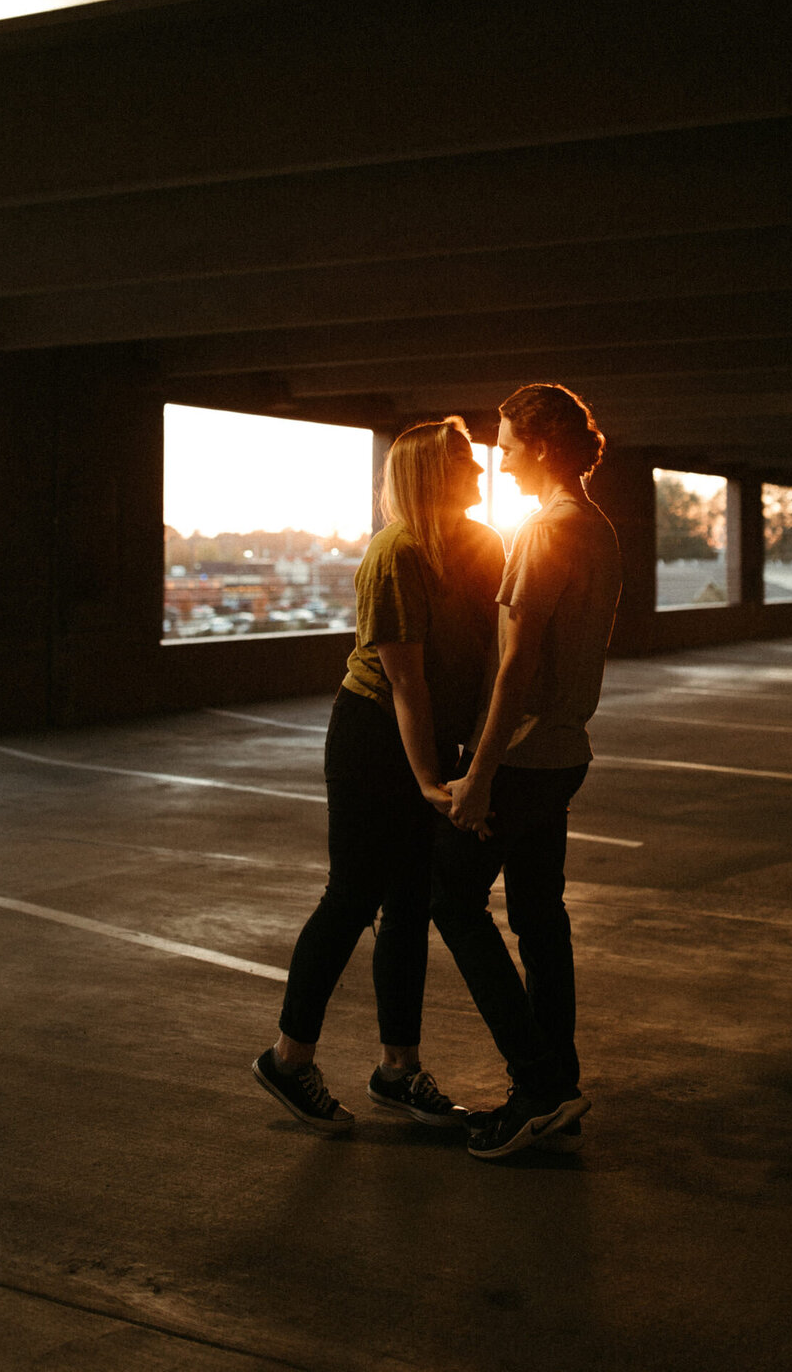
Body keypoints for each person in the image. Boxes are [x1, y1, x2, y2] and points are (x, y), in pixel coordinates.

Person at [253, 418, 504, 1133]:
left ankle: (398, 1070)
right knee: (352, 896)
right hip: (372, 736)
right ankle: (289, 1058)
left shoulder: (483, 544)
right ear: (431, 473)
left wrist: (474, 755)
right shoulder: (394, 553)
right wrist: (429, 778)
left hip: (434, 739)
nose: (479, 471)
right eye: (464, 460)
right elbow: (406, 683)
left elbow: (489, 659)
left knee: (410, 906)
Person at [431, 383, 623, 1160]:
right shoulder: (598, 527)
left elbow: (514, 667)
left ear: (540, 446)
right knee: (541, 917)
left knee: (452, 897)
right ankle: (554, 1087)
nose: (498, 458)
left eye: (506, 444)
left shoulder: (547, 532)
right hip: (565, 753)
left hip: (519, 757)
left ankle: (537, 1080)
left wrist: (478, 772)